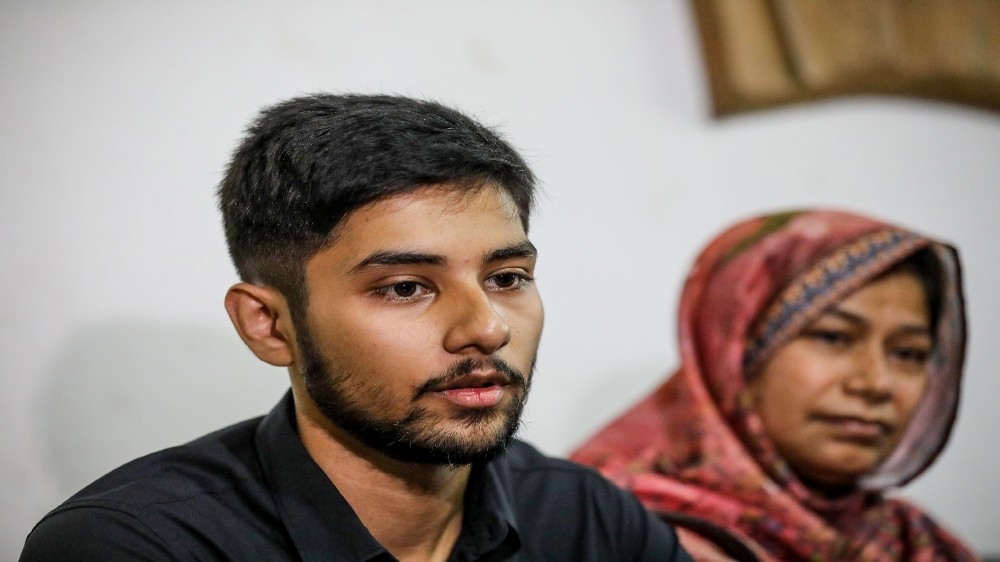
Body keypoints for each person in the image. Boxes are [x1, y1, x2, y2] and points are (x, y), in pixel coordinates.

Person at [20, 94, 691, 561]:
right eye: (405, 288)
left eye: (507, 278)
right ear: (268, 324)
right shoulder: (135, 546)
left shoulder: (585, 517)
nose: (485, 329)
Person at [571, 210, 978, 562]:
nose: (876, 383)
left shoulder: (915, 543)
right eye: (833, 337)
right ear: (735, 358)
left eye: (908, 353)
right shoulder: (606, 528)